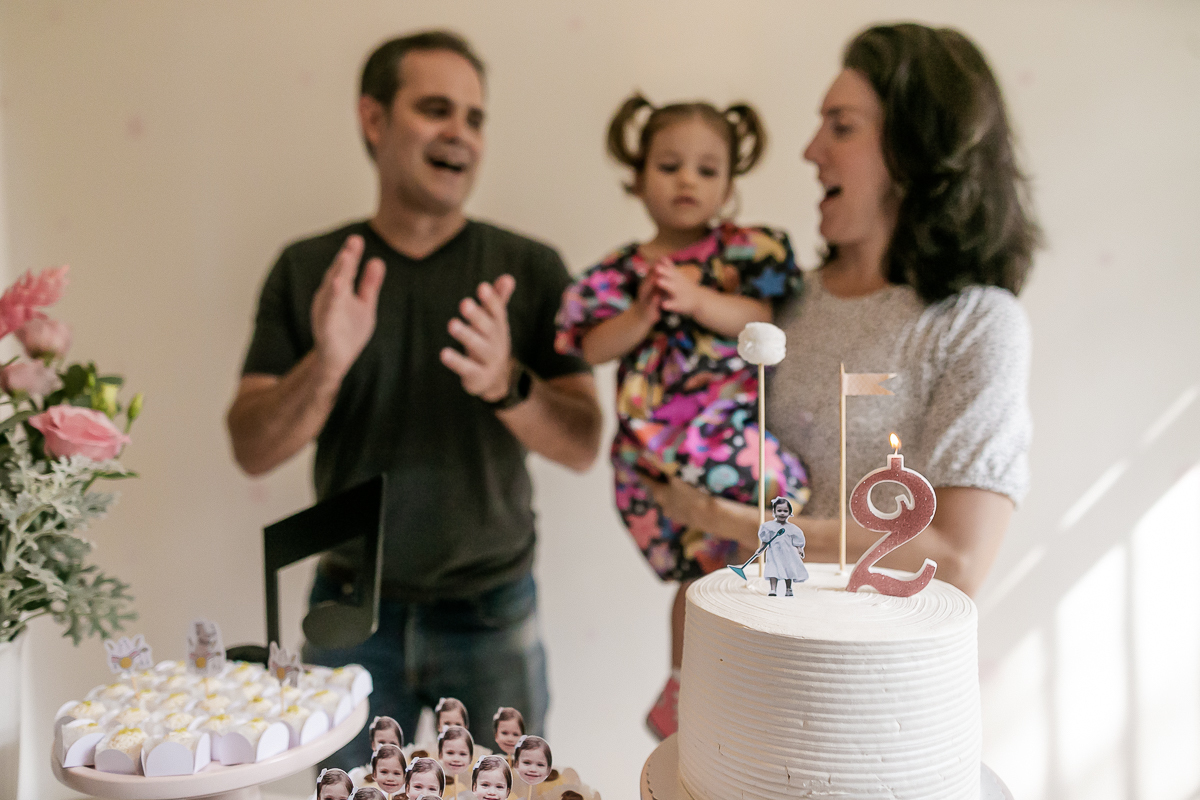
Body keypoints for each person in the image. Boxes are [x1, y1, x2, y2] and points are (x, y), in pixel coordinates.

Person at [644, 21, 1038, 735]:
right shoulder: (784, 305)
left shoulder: (976, 324)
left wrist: (732, 522)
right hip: (739, 689)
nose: (810, 149)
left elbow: (954, 559)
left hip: (865, 719)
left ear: (915, 151)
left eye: (842, 125)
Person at [226, 30, 602, 769]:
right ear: (374, 119)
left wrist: (508, 384)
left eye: (475, 117)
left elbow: (584, 443)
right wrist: (327, 364)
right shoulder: (309, 270)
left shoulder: (531, 267)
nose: (461, 133)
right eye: (436, 109)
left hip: (493, 609)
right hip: (348, 614)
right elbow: (252, 446)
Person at [554, 92, 808, 738]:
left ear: (729, 184)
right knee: (701, 574)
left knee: (771, 524)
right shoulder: (620, 273)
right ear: (638, 178)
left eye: (706, 168)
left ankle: (732, 686)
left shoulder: (743, 256)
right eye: (669, 166)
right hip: (657, 443)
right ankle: (684, 685)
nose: (687, 180)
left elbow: (766, 319)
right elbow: (588, 347)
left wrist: (696, 299)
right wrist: (642, 314)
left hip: (726, 432)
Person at [759, 497, 806, 596]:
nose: (782, 513)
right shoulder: (768, 527)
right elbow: (765, 540)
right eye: (779, 510)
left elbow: (797, 540)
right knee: (772, 570)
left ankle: (788, 588)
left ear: (790, 512)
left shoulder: (793, 529)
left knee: (788, 570)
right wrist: (761, 548)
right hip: (773, 553)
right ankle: (773, 589)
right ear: (774, 512)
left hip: (788, 553)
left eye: (785, 511)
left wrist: (800, 549)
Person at [348, 716, 404, 787]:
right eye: (382, 742)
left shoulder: (410, 778)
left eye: (393, 743)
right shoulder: (357, 777)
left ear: (400, 747)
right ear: (373, 745)